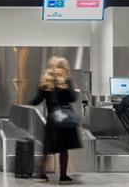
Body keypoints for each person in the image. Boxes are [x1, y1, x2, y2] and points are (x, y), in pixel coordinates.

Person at [30, 56, 81, 185]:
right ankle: (63, 176)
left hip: (52, 119)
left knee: (47, 149)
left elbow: (37, 100)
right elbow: (71, 98)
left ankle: (40, 174)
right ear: (64, 66)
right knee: (63, 149)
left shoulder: (45, 82)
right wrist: (75, 91)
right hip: (64, 120)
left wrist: (29, 102)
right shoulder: (66, 80)